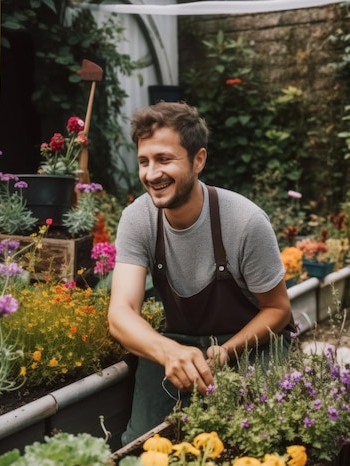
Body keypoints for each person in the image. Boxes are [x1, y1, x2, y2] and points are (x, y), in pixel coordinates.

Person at [108, 101, 294, 445]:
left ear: (198, 160)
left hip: (251, 347)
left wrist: (227, 352)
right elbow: (121, 314)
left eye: (165, 159)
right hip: (178, 348)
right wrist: (168, 352)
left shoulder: (244, 221)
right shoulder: (138, 219)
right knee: (142, 447)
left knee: (254, 444)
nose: (151, 173)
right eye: (144, 162)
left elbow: (278, 310)